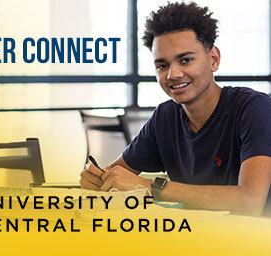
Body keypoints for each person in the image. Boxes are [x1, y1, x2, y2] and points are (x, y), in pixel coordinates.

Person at [80, 2, 271, 216]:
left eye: (186, 60)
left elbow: (250, 201)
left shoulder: (254, 108)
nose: (173, 74)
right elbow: (117, 175)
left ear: (214, 59)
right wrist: (98, 179)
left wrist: (151, 187)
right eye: (162, 66)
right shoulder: (165, 117)